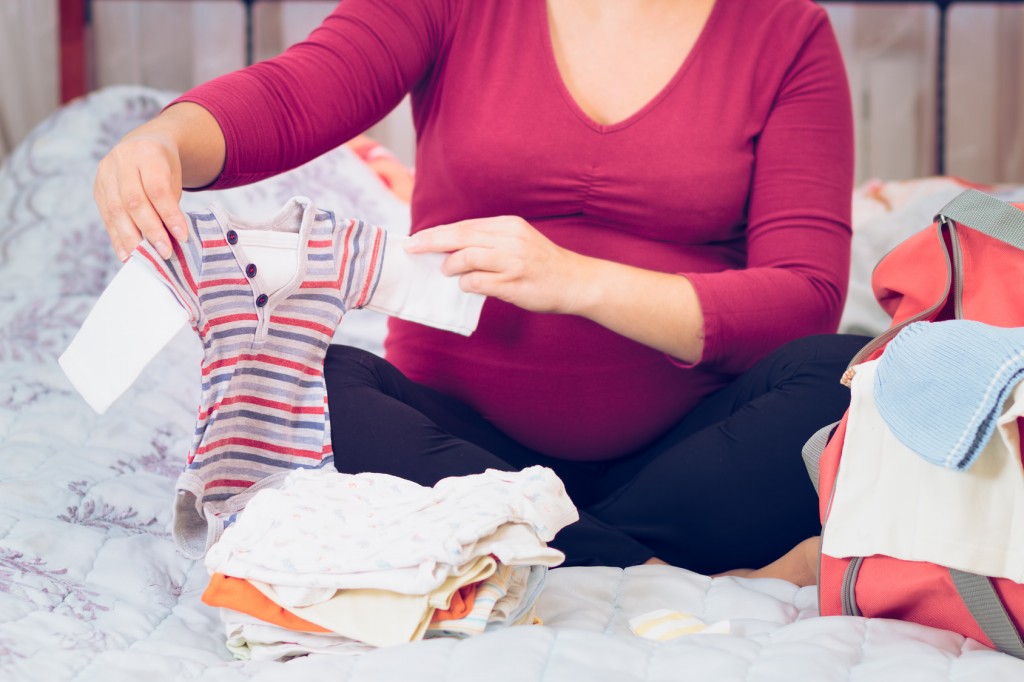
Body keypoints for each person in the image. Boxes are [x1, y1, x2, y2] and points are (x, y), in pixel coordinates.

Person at [93, 0, 864, 586]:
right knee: (304, 380)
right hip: (459, 449)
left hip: (690, 451)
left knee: (854, 371)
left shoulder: (787, 34)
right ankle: (647, 564)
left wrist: (578, 281)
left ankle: (539, 548)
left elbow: (805, 298)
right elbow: (299, 93)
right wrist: (166, 140)